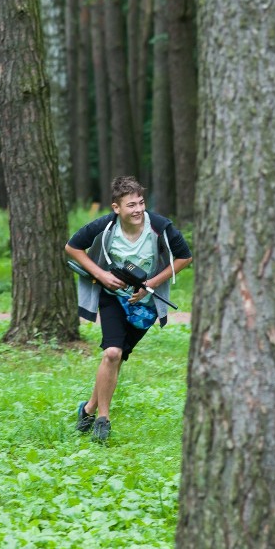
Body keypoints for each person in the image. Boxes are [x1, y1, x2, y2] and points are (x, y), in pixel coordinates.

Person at [65, 176, 193, 441]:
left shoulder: (160, 226)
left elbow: (185, 257)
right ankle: (103, 419)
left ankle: (88, 408)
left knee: (117, 357)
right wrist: (101, 275)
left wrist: (151, 284)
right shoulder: (105, 225)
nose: (137, 210)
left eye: (141, 203)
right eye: (131, 205)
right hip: (111, 296)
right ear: (116, 208)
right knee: (112, 352)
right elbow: (72, 247)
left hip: (145, 304)